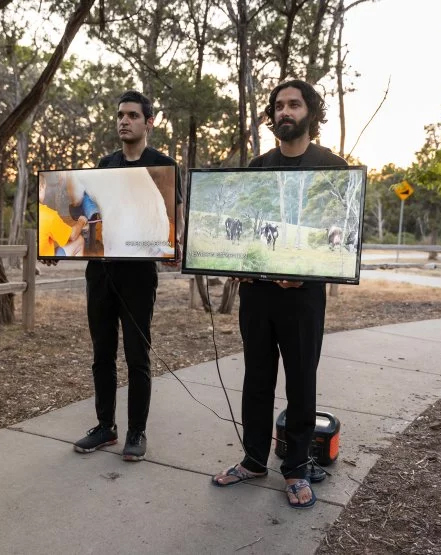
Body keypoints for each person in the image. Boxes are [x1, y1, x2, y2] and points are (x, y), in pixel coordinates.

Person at [211, 80, 347, 509]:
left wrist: (305, 276)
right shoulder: (257, 167)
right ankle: (253, 459)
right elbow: (244, 230)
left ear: (310, 112)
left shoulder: (332, 167)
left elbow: (339, 237)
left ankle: (296, 468)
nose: (284, 111)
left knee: (301, 380)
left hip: (303, 298)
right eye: (278, 106)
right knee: (256, 378)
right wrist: (238, 266)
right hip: (258, 297)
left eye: (293, 104)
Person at [73, 90, 182, 461]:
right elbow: (90, 213)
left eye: (133, 115)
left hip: (138, 277)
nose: (124, 121)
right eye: (120, 114)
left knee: (137, 356)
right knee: (102, 355)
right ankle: (105, 427)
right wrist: (56, 249)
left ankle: (137, 432)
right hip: (100, 274)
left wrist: (171, 246)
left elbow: (170, 220)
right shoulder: (104, 165)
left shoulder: (162, 165)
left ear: (148, 123)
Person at [38, 175, 85, 257]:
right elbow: (73, 235)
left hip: (38, 257)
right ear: (41, 187)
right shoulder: (49, 215)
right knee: (79, 240)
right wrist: (82, 220)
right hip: (46, 258)